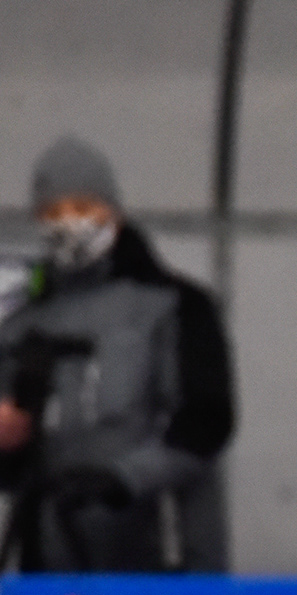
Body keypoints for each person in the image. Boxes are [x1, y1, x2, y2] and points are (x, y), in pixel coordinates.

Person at [0, 136, 235, 571]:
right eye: (55, 213)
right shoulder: (20, 322)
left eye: (85, 209)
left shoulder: (176, 305)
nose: (70, 225)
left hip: (155, 565)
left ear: (115, 212)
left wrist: (121, 480)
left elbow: (204, 423)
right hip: (47, 569)